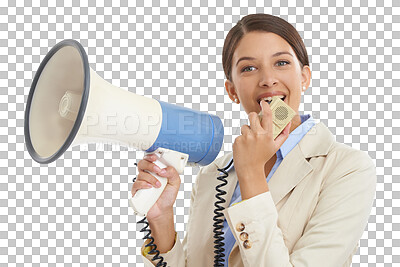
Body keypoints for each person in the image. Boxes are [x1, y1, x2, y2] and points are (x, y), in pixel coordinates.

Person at [131, 13, 376, 267]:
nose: (268, 79)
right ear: (232, 91)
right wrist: (161, 220)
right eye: (249, 68)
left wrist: (251, 174)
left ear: (304, 77)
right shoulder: (213, 175)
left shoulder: (348, 169)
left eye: (281, 63)